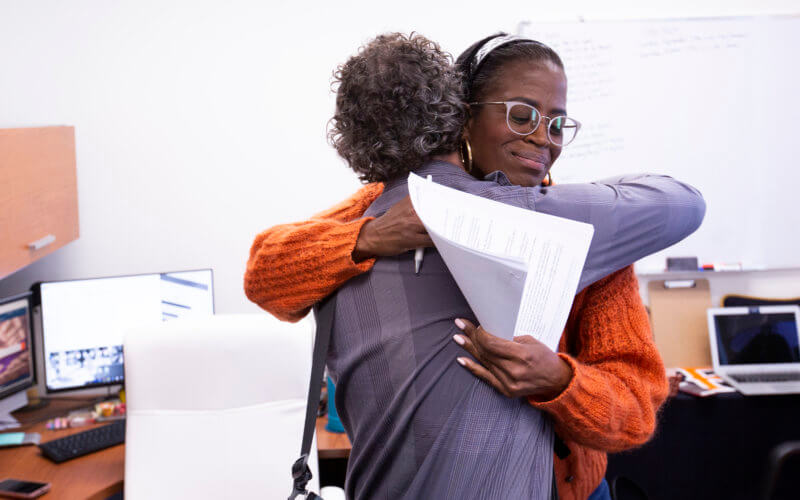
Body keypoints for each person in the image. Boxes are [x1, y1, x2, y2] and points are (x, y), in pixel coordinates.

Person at [245, 33, 705, 499]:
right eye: (520, 115)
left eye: (558, 123)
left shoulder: (582, 237)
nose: (543, 138)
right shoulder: (392, 208)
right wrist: (366, 237)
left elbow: (636, 414)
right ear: (462, 115)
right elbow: (266, 270)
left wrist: (562, 381)